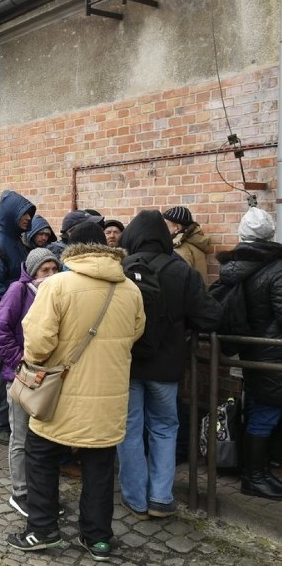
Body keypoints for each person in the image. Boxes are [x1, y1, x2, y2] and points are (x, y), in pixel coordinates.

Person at [7, 236, 145, 561]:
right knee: (99, 465)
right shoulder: (130, 289)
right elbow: (136, 333)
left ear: (74, 252)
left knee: (40, 456)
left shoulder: (57, 285)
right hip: (109, 396)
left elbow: (39, 344)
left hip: (61, 395)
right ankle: (97, 539)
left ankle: (42, 530)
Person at [117, 210, 222, 519]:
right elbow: (210, 316)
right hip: (167, 366)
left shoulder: (121, 269)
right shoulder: (182, 270)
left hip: (129, 365)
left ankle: (135, 499)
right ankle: (161, 498)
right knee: (164, 428)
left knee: (129, 430)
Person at [211, 207, 282, 499]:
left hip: (249, 349)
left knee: (257, 409)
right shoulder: (276, 267)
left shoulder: (235, 266)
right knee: (266, 413)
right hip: (272, 354)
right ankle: (255, 476)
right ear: (271, 234)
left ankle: (256, 472)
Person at [0, 247, 61, 518]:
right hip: (22, 378)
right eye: (45, 270)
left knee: (43, 440)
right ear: (32, 272)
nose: (51, 275)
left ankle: (41, 494)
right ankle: (20, 492)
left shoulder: (56, 294)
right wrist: (20, 363)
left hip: (48, 379)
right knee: (20, 438)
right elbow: (0, 331)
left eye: (54, 269)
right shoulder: (18, 291)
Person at [0, 190, 36, 445]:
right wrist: (16, 307)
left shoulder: (14, 240)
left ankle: (1, 422)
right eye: (24, 214)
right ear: (12, 215)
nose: (28, 219)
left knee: (4, 370)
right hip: (4, 319)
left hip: (16, 317)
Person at [163, 206, 212, 285]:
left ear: (177, 227)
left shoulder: (178, 249)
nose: (164, 228)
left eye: (166, 224)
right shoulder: (195, 243)